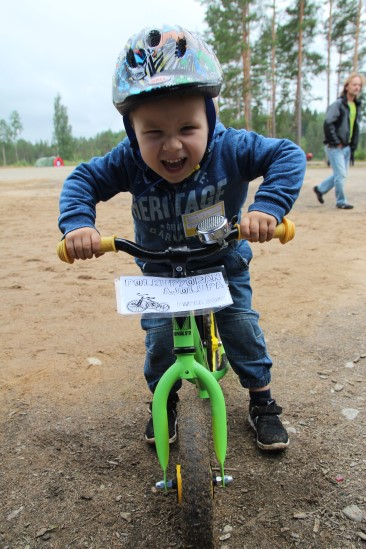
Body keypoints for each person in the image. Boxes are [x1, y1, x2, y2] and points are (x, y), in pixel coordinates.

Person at [58, 25, 306, 451]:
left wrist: (266, 208)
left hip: (222, 261)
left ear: (209, 117)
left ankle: (261, 400)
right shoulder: (128, 160)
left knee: (240, 326)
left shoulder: (232, 147)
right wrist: (79, 225)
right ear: (132, 130)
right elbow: (83, 180)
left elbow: (287, 154)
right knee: (158, 342)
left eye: (187, 128)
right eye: (153, 132)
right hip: (158, 271)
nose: (171, 146)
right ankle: (164, 399)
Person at [313, 72, 364, 210]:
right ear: (347, 86)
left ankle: (320, 189)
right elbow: (328, 123)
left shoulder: (356, 105)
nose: (357, 87)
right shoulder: (338, 104)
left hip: (347, 147)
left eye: (359, 85)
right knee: (341, 175)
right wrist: (336, 142)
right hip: (335, 147)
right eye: (354, 84)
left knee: (340, 175)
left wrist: (352, 146)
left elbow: (355, 127)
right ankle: (341, 201)